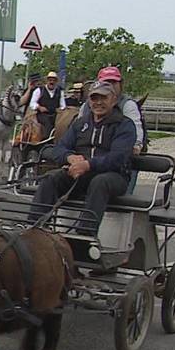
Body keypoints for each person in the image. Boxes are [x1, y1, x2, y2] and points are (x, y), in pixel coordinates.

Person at [29, 81, 135, 235]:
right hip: (81, 174)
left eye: (103, 98)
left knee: (100, 182)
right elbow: (59, 148)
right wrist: (69, 157)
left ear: (113, 100)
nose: (98, 103)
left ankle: (85, 235)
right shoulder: (80, 124)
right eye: (94, 98)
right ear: (89, 101)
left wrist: (88, 165)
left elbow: (118, 157)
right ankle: (34, 230)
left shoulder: (124, 125)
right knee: (50, 179)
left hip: (115, 176)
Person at [81, 67, 144, 155]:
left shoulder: (127, 105)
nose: (110, 86)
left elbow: (135, 126)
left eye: (113, 82)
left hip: (115, 151)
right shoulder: (86, 106)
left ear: (120, 84)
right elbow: (78, 127)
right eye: (106, 82)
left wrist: (136, 145)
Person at [29, 71, 65, 138]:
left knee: (62, 124)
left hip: (55, 114)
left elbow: (63, 105)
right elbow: (32, 103)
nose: (52, 82)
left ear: (56, 82)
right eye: (50, 80)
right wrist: (39, 107)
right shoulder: (39, 90)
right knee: (47, 124)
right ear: (47, 81)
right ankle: (46, 141)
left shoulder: (60, 91)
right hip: (42, 114)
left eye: (54, 80)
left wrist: (60, 109)